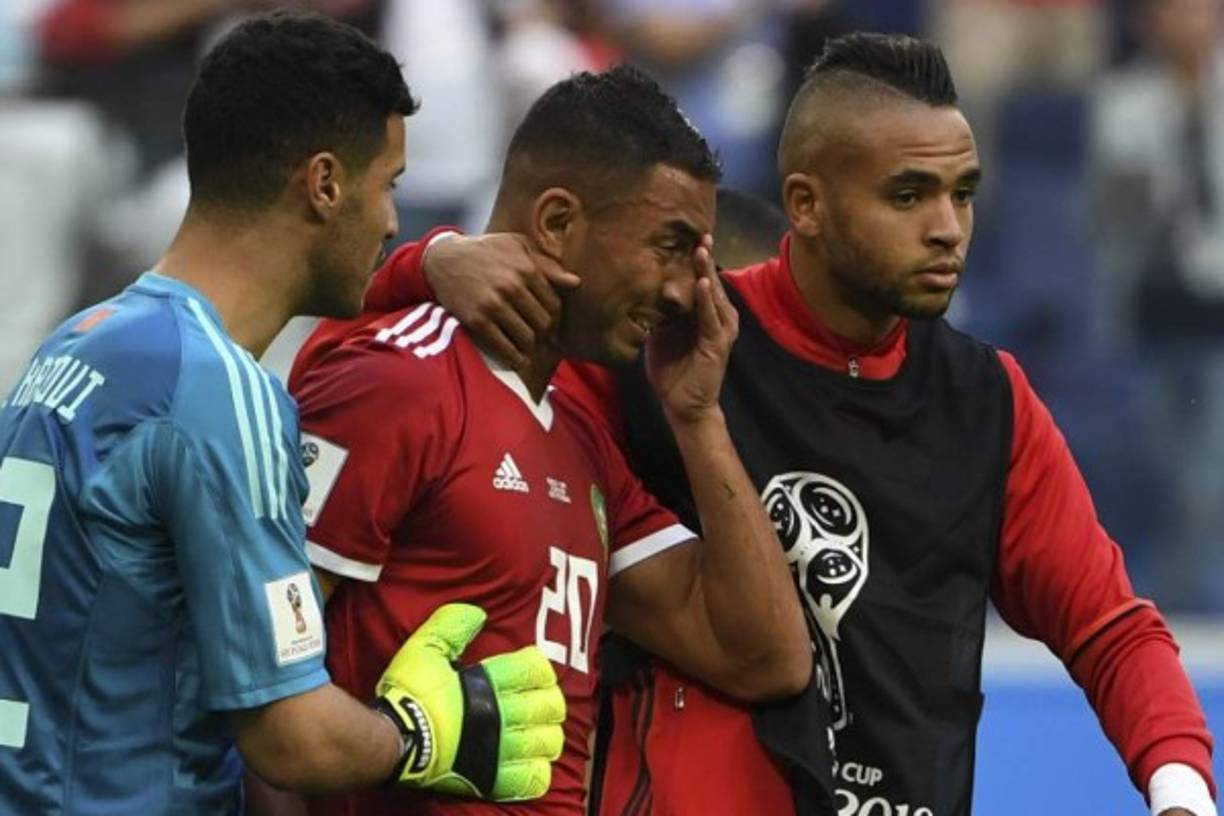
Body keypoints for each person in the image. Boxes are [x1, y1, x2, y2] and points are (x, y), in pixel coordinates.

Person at [343, 33, 1218, 816]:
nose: (948, 229)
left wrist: (1179, 790)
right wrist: (431, 262)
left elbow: (1110, 627)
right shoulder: (671, 333)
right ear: (806, 204)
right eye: (909, 196)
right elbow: (432, 358)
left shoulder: (988, 402)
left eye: (963, 193)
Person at [0, 12, 565, 815]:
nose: (391, 221)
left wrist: (429, 264)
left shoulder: (81, 342)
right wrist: (420, 736)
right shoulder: (217, 393)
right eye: (388, 186)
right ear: (326, 184)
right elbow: (290, 736)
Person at [286, 65, 812, 816]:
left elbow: (763, 656)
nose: (682, 291)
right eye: (668, 246)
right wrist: (425, 262)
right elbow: (256, 693)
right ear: (559, 223)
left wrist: (697, 416)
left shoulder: (580, 440)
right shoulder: (400, 384)